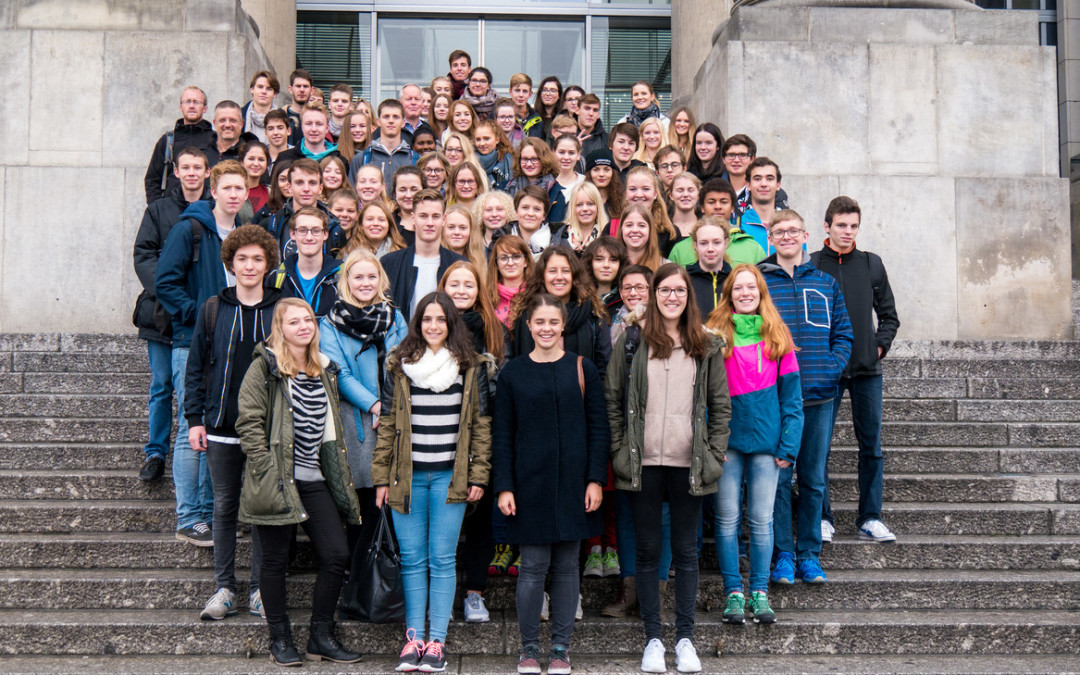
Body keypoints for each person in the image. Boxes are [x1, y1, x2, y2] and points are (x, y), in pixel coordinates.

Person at [605, 263, 730, 675]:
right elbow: (613, 398)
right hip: (643, 464)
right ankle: (654, 639)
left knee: (687, 553)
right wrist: (622, 449)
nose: (672, 296)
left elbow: (720, 406)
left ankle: (686, 639)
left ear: (687, 296)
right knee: (646, 552)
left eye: (679, 290)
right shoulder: (634, 340)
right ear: (654, 294)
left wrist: (713, 453)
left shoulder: (705, 344)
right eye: (664, 290)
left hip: (688, 464)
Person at [236, 298, 362, 666]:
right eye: (294, 322)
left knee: (337, 554)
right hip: (276, 479)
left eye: (308, 319)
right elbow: (248, 422)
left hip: (313, 477)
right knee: (274, 562)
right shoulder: (266, 368)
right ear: (281, 328)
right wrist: (266, 469)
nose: (304, 326)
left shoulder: (324, 369)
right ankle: (280, 638)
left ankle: (320, 636)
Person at [374, 292, 492, 673]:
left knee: (442, 560)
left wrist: (477, 475)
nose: (434, 326)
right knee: (412, 561)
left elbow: (481, 427)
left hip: (449, 478)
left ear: (452, 323)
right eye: (427, 319)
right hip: (406, 477)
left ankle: (437, 643)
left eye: (441, 319)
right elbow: (389, 423)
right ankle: (414, 640)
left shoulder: (469, 366)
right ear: (417, 323)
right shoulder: (399, 364)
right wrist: (381, 478)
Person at [493, 293, 610, 675]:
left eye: (552, 322)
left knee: (565, 567)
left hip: (574, 484)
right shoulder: (513, 373)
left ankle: (560, 648)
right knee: (532, 567)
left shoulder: (583, 368)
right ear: (528, 327)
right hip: (529, 485)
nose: (546, 328)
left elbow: (598, 429)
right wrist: (505, 486)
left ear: (563, 326)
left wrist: (595, 479)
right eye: (539, 322)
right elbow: (503, 434)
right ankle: (528, 648)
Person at [185, 225, 282, 622]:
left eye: (257, 259)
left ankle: (260, 589)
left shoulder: (281, 308)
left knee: (261, 510)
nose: (249, 265)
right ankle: (225, 587)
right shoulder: (213, 308)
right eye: (242, 258)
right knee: (224, 506)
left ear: (268, 264)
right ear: (231, 262)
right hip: (222, 425)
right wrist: (195, 419)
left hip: (267, 428)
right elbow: (195, 368)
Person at [155, 160, 250, 546]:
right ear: (214, 191)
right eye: (226, 188)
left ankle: (214, 514)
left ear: (246, 193)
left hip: (230, 346)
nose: (232, 195)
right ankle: (188, 516)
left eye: (238, 189)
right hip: (191, 341)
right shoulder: (190, 229)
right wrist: (201, 314)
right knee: (189, 428)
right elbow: (165, 281)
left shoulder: (245, 234)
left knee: (220, 429)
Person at [759, 210, 853, 586]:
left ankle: (809, 553)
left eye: (793, 231)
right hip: (777, 399)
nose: (786, 237)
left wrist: (831, 369)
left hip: (818, 396)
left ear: (806, 235)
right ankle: (783, 554)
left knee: (813, 478)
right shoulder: (761, 282)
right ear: (770, 237)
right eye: (779, 232)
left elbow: (844, 334)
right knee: (779, 480)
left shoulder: (826, 282)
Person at [706, 263, 802, 626]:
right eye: (738, 288)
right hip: (726, 443)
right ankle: (734, 592)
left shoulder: (778, 336)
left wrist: (788, 445)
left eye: (752, 288)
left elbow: (793, 400)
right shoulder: (714, 334)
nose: (745, 293)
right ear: (728, 294)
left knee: (762, 520)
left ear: (762, 293)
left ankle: (759, 592)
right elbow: (704, 395)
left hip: (767, 444)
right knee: (727, 519)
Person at [811, 196, 901, 544]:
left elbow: (890, 315)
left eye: (853, 226)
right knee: (819, 446)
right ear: (827, 226)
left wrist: (879, 345)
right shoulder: (813, 264)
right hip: (827, 371)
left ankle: (870, 517)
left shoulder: (871, 264)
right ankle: (822, 517)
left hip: (866, 370)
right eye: (841, 225)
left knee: (872, 446)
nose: (847, 232)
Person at [319, 248, 409, 571]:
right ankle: (357, 577)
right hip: (356, 421)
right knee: (360, 499)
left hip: (393, 419)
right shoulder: (330, 324)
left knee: (388, 499)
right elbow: (337, 371)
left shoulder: (394, 317)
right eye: (358, 276)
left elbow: (406, 361)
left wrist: (389, 407)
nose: (365, 282)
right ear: (346, 281)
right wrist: (373, 404)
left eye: (372, 276)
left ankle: (384, 574)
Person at [132, 147, 210, 483]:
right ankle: (155, 452)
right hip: (161, 315)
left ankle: (192, 446)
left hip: (198, 317)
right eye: (186, 167)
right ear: (175, 172)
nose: (191, 173)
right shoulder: (158, 209)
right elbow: (143, 254)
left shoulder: (214, 209)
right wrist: (168, 291)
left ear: (208, 172)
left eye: (198, 167)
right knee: (162, 385)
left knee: (194, 389)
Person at [437, 261, 505, 624]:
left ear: (480, 290)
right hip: (440, 436)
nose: (461, 290)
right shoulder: (432, 326)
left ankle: (474, 592)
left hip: (482, 436)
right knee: (444, 521)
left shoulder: (494, 331)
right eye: (454, 284)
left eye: (469, 284)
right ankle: (443, 593)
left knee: (480, 523)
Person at [509, 246, 610, 374]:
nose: (559, 277)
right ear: (542, 275)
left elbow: (604, 364)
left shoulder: (592, 313)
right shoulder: (526, 313)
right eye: (552, 271)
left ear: (574, 275)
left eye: (566, 271)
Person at [381, 190, 466, 319]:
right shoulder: (390, 263)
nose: (430, 223)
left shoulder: (459, 265)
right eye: (423, 216)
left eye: (436, 216)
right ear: (413, 218)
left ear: (444, 220)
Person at [260, 158, 345, 260]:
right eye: (299, 182)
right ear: (289, 186)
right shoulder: (272, 225)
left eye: (312, 183)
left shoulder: (334, 228)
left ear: (320, 188)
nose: (306, 189)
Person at [144, 86, 213, 203]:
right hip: (172, 210)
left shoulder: (214, 140)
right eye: (187, 102)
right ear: (181, 107)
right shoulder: (168, 141)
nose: (191, 105)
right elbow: (152, 180)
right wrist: (158, 209)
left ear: (205, 108)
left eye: (196, 102)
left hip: (207, 209)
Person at [277, 207, 342, 317]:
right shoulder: (278, 277)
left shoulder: (341, 275)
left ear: (325, 234)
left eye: (316, 231)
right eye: (302, 230)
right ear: (292, 234)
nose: (309, 237)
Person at [350, 99, 418, 188]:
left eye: (396, 117)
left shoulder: (415, 160)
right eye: (386, 116)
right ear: (378, 122)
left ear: (403, 123)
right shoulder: (362, 159)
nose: (391, 121)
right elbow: (353, 195)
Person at [683, 216, 733, 318]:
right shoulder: (684, 281)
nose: (710, 249)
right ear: (695, 245)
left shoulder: (735, 280)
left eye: (716, 242)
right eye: (703, 243)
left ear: (726, 243)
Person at [624, 166, 677, 256]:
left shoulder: (669, 232)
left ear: (655, 194)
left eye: (645, 189)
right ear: (626, 194)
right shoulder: (613, 227)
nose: (639, 194)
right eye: (633, 189)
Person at [741, 157, 787, 255]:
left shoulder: (791, 227)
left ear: (778, 185)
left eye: (770, 179)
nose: (763, 184)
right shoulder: (738, 226)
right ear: (748, 185)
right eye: (757, 179)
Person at [487, 235, 534, 328]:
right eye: (503, 258)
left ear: (526, 261)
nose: (510, 263)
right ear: (496, 263)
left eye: (516, 257)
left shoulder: (536, 294)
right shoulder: (486, 297)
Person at [275, 102, 341, 165]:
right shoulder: (285, 158)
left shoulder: (340, 161)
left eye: (319, 124)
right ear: (302, 127)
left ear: (327, 128)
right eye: (309, 124)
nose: (314, 129)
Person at [553, 182, 610, 254]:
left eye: (590, 204)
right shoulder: (560, 237)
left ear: (598, 206)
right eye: (579, 205)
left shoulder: (609, 235)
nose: (585, 209)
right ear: (572, 208)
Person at [204, 100, 258, 167]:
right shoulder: (203, 152)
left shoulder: (251, 155)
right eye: (222, 120)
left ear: (241, 124)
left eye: (232, 120)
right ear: (215, 123)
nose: (227, 125)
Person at [508, 185, 554, 258]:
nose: (530, 213)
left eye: (537, 209)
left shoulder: (559, 240)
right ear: (516, 212)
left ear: (544, 215)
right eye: (525, 208)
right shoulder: (500, 237)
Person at [617, 205, 666, 272]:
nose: (635, 230)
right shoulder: (612, 266)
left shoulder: (664, 267)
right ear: (621, 229)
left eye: (641, 225)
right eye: (629, 225)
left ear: (650, 230)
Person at [585, 149, 626, 229]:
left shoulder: (623, 203)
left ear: (613, 173)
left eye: (606, 169)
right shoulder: (581, 201)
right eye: (596, 170)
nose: (601, 174)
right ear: (589, 173)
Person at [582, 235, 627, 307]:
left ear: (621, 264)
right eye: (599, 259)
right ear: (590, 263)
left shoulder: (627, 298)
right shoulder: (578, 298)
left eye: (613, 260)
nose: (606, 265)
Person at [551, 135, 585, 225]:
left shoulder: (585, 182)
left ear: (578, 155)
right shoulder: (545, 183)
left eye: (571, 153)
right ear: (553, 153)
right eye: (561, 152)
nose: (566, 157)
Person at [442, 204, 487, 270]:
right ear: (442, 230)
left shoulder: (482, 262)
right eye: (451, 227)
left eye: (463, 228)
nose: (456, 232)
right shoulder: (434, 261)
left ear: (471, 231)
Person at [473, 120, 514, 192]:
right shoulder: (470, 161)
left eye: (486, 138)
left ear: (497, 139)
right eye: (478, 139)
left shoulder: (508, 160)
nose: (482, 143)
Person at [242, 71, 280, 143]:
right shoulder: (240, 116)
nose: (264, 91)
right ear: (252, 89)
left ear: (274, 94)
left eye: (269, 89)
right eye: (260, 87)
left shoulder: (284, 118)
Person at [392, 165, 425, 244]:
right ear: (394, 193)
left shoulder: (435, 222)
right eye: (402, 190)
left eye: (414, 189)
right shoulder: (388, 223)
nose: (408, 195)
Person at [239, 142, 270, 219]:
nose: (256, 163)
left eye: (261, 159)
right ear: (242, 163)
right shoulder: (232, 191)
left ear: (267, 164)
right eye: (251, 159)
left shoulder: (271, 192)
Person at [509, 73, 544, 140]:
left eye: (525, 91)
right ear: (510, 92)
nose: (521, 95)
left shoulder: (537, 120)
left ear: (530, 94)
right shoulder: (499, 115)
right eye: (517, 90)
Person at [283, 69, 314, 145]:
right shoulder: (281, 115)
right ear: (291, 89)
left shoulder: (316, 118)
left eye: (305, 86)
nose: (302, 90)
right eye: (298, 86)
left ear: (312, 90)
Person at [670, 173, 701, 243]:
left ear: (698, 194)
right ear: (671, 195)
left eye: (691, 190)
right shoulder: (662, 228)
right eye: (680, 190)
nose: (685, 195)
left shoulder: (707, 226)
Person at [576, 94, 608, 158]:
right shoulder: (566, 134)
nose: (591, 113)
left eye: (595, 110)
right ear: (577, 110)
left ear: (598, 114)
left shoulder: (607, 139)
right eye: (587, 108)